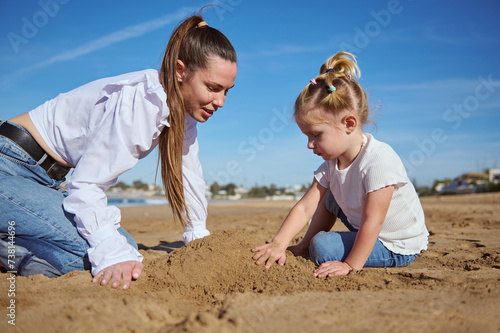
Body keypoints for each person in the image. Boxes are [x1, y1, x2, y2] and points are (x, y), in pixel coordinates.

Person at [0, 13, 237, 290]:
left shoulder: (180, 113)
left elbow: (189, 177)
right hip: (9, 165)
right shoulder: (143, 102)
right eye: (213, 87)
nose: (220, 101)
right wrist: (110, 254)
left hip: (42, 179)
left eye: (227, 91)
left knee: (125, 246)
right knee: (94, 258)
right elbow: (86, 185)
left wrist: (199, 238)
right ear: (180, 71)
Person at [252, 52, 428, 277]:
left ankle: (317, 247)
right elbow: (305, 207)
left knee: (323, 247)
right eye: (306, 136)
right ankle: (304, 245)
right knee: (329, 196)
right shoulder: (331, 164)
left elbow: (373, 221)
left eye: (315, 135)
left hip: (396, 243)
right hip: (365, 227)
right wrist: (279, 243)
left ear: (349, 123)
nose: (309, 144)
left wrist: (350, 265)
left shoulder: (379, 159)